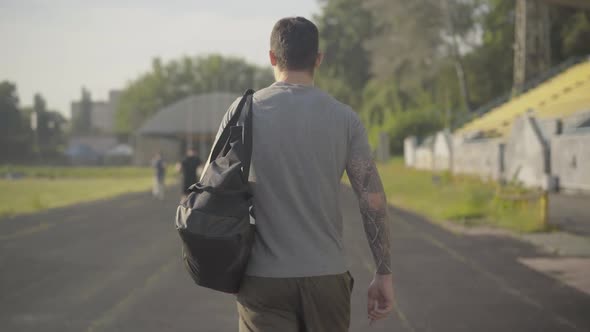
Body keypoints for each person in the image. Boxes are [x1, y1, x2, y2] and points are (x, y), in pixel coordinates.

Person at [208, 17, 394, 331]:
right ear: (318, 59)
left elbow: (210, 190)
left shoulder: (242, 111)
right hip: (327, 277)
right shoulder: (345, 118)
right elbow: (372, 199)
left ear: (271, 57)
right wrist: (384, 273)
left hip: (262, 280)